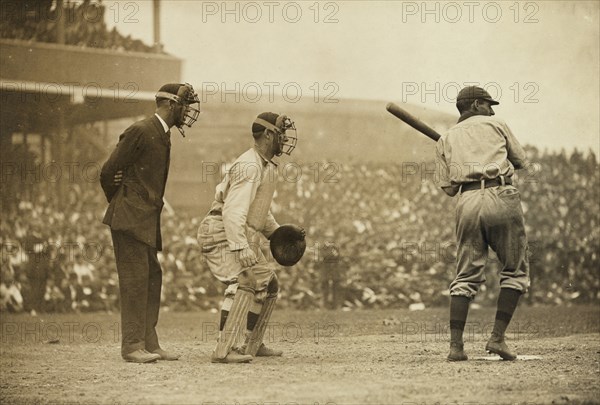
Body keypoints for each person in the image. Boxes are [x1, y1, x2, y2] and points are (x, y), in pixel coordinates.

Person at [100, 83, 200, 363]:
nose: (188, 111)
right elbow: (108, 171)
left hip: (144, 220)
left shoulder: (162, 134)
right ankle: (132, 346)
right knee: (134, 281)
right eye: (184, 105)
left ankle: (149, 342)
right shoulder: (141, 130)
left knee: (152, 278)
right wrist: (122, 201)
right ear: (169, 105)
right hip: (130, 219)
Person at [435, 86, 530, 361]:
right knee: (515, 270)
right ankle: (497, 339)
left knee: (465, 275)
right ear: (476, 104)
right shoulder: (496, 124)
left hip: (467, 199)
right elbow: (521, 162)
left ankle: (456, 347)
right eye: (489, 104)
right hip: (501, 194)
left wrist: (463, 160)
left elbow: (449, 188)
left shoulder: (446, 138)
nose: (492, 109)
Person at [197, 112, 299, 363]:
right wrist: (240, 247)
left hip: (235, 230)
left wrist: (278, 234)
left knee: (269, 283)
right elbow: (233, 211)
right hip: (221, 229)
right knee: (244, 280)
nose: (284, 138)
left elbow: (259, 212)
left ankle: (252, 343)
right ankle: (224, 349)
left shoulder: (265, 166)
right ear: (267, 134)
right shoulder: (250, 165)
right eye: (280, 132)